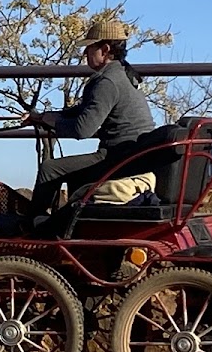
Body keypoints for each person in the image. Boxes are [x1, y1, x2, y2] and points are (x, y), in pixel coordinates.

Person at [24, 19, 156, 218]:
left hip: (118, 157)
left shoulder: (107, 81)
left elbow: (82, 129)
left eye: (89, 47)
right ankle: (67, 223)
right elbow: (84, 110)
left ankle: (33, 226)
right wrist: (43, 117)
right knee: (74, 171)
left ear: (105, 49)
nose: (85, 53)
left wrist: (49, 121)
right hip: (134, 155)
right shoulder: (124, 74)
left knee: (50, 169)